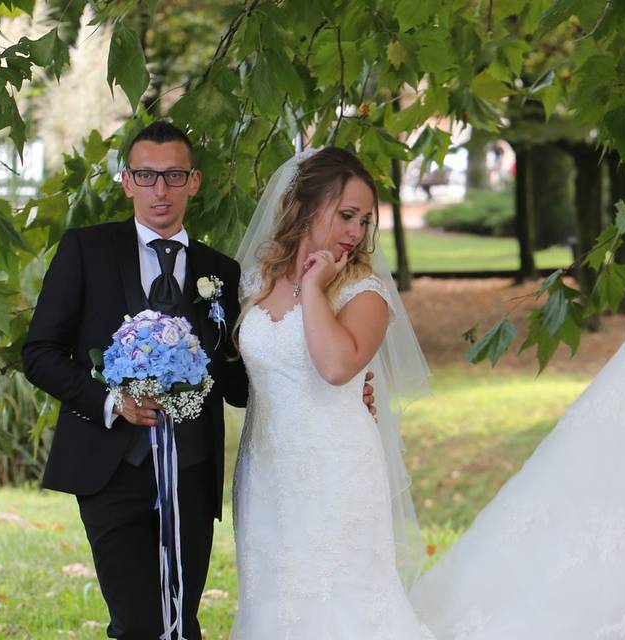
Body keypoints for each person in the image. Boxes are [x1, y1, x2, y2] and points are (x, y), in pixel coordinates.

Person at [229, 146, 625, 639]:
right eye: (346, 214)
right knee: (274, 596)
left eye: (365, 220)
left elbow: (338, 366)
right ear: (303, 205)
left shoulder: (365, 292)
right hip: (269, 473)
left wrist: (317, 289)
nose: (356, 231)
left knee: (340, 598)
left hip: (337, 474)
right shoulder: (257, 281)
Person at [21, 122, 373, 639]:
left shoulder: (224, 272)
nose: (159, 190)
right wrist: (111, 400)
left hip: (192, 470)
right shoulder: (86, 250)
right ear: (126, 182)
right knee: (139, 623)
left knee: (181, 621)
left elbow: (240, 376)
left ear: (194, 181)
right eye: (146, 175)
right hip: (108, 467)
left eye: (173, 175)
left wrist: (330, 387)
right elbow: (39, 354)